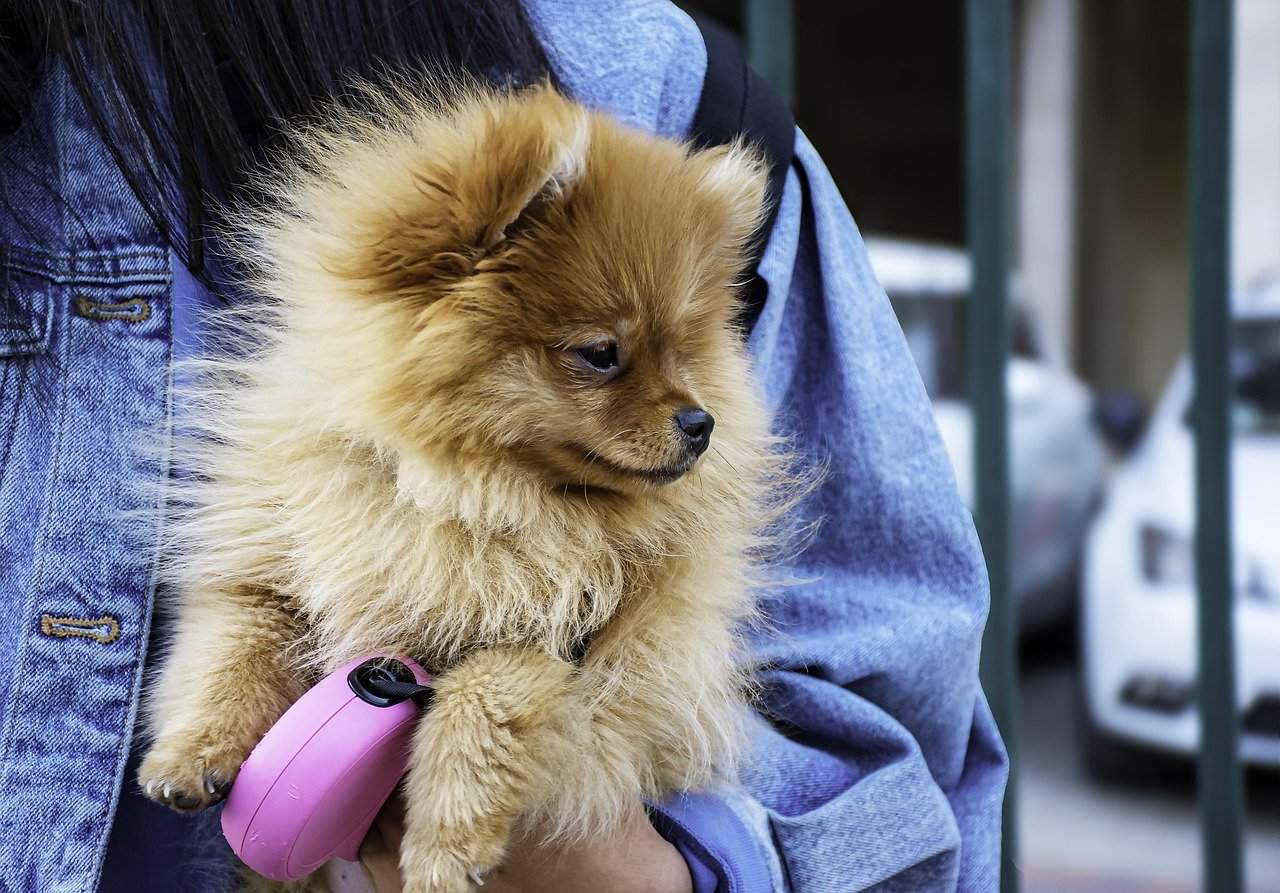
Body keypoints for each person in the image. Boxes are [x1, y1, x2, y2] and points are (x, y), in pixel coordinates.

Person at [0, 2, 1007, 891]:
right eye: (598, 358)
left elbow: (903, 770)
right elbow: (251, 588)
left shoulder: (661, 90)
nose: (683, 410)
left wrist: (665, 870)